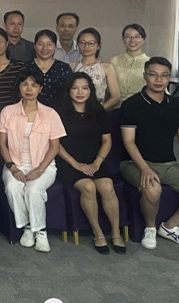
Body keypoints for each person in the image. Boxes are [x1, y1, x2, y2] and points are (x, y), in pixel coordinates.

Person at [0, 69, 66, 253]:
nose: (29, 89)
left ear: (40, 88)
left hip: (43, 165)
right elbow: (2, 144)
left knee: (33, 190)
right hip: (15, 164)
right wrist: (12, 167)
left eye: (34, 85)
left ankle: (40, 231)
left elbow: (55, 146)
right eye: (25, 84)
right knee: (12, 188)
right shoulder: (8, 112)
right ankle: (28, 227)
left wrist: (40, 169)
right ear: (19, 87)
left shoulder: (50, 114)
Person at [56, 73, 125, 254]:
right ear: (68, 90)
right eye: (75, 88)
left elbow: (107, 141)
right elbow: (56, 144)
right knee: (88, 187)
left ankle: (115, 233)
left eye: (85, 88)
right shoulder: (59, 111)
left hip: (95, 160)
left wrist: (97, 162)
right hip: (68, 163)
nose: (80, 92)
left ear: (91, 90)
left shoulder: (98, 111)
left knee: (107, 186)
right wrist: (76, 164)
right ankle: (98, 233)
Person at [119, 56, 179, 249]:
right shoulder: (132, 105)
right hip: (134, 163)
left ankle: (170, 226)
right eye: (153, 74)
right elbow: (128, 142)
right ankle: (150, 228)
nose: (159, 80)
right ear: (145, 76)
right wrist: (144, 168)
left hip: (168, 163)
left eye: (164, 75)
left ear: (169, 78)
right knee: (152, 188)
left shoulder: (175, 104)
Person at [73, 28, 121, 111]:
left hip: (97, 112)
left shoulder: (107, 68)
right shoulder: (72, 66)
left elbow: (116, 97)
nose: (86, 46)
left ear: (98, 46)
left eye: (91, 43)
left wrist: (99, 111)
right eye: (82, 43)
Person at [23, 29, 73, 108]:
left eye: (49, 44)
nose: (45, 48)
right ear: (34, 46)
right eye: (40, 44)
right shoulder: (25, 67)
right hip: (30, 111)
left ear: (55, 47)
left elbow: (70, 94)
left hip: (58, 112)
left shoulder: (64, 68)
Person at [111, 24, 149, 103]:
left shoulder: (150, 62)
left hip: (141, 105)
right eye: (128, 36)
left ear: (143, 39)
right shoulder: (114, 60)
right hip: (117, 105)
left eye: (137, 37)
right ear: (123, 39)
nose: (132, 40)